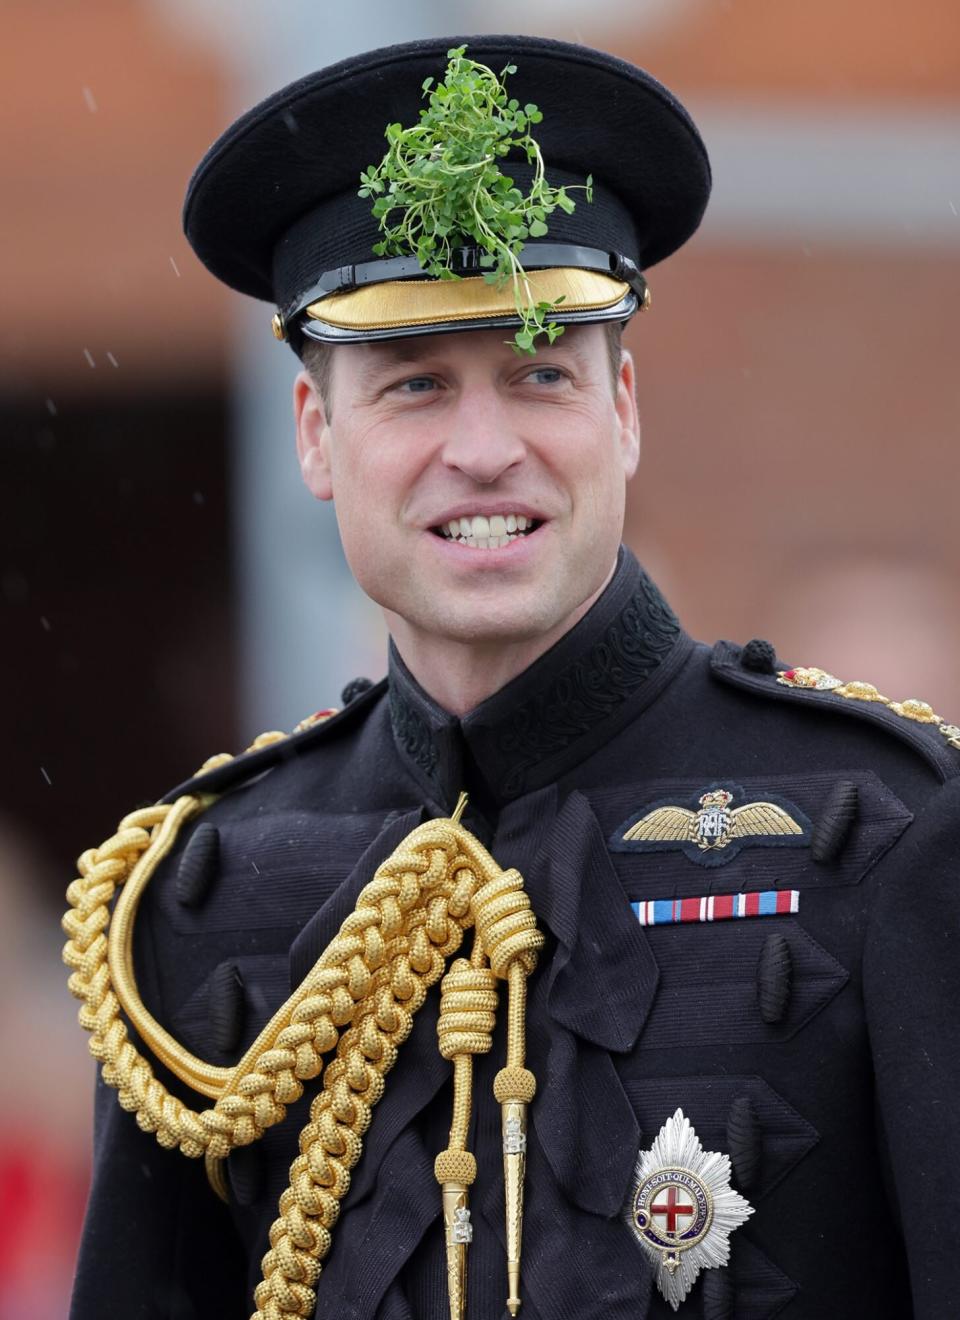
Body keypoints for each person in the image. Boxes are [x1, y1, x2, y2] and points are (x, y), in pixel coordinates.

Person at [63, 34, 960, 1320]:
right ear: (318, 437)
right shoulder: (195, 897)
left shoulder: (888, 836)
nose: (483, 451)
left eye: (540, 374)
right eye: (415, 386)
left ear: (625, 409)